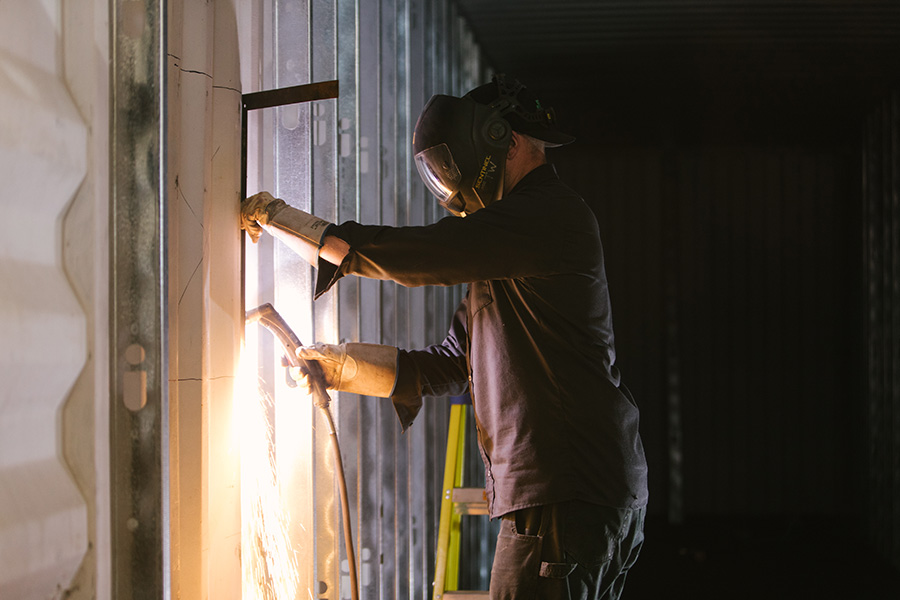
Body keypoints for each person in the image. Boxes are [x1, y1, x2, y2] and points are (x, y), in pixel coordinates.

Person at [240, 74, 649, 600]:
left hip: (566, 491)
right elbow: (451, 362)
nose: (449, 186)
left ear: (505, 140)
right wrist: (341, 367)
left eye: (449, 167)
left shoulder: (550, 216)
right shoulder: (509, 252)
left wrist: (289, 223)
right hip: (575, 492)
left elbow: (422, 254)